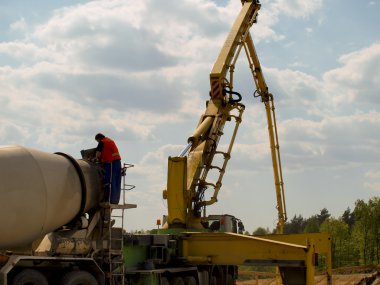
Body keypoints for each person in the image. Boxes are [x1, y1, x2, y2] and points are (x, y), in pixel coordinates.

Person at [95, 133, 122, 204]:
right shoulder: (110, 141)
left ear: (99, 139)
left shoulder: (102, 142)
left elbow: (98, 154)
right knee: (116, 182)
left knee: (108, 181)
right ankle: (114, 200)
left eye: (97, 141)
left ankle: (107, 200)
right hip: (117, 163)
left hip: (111, 163)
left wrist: (97, 159)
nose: (98, 142)